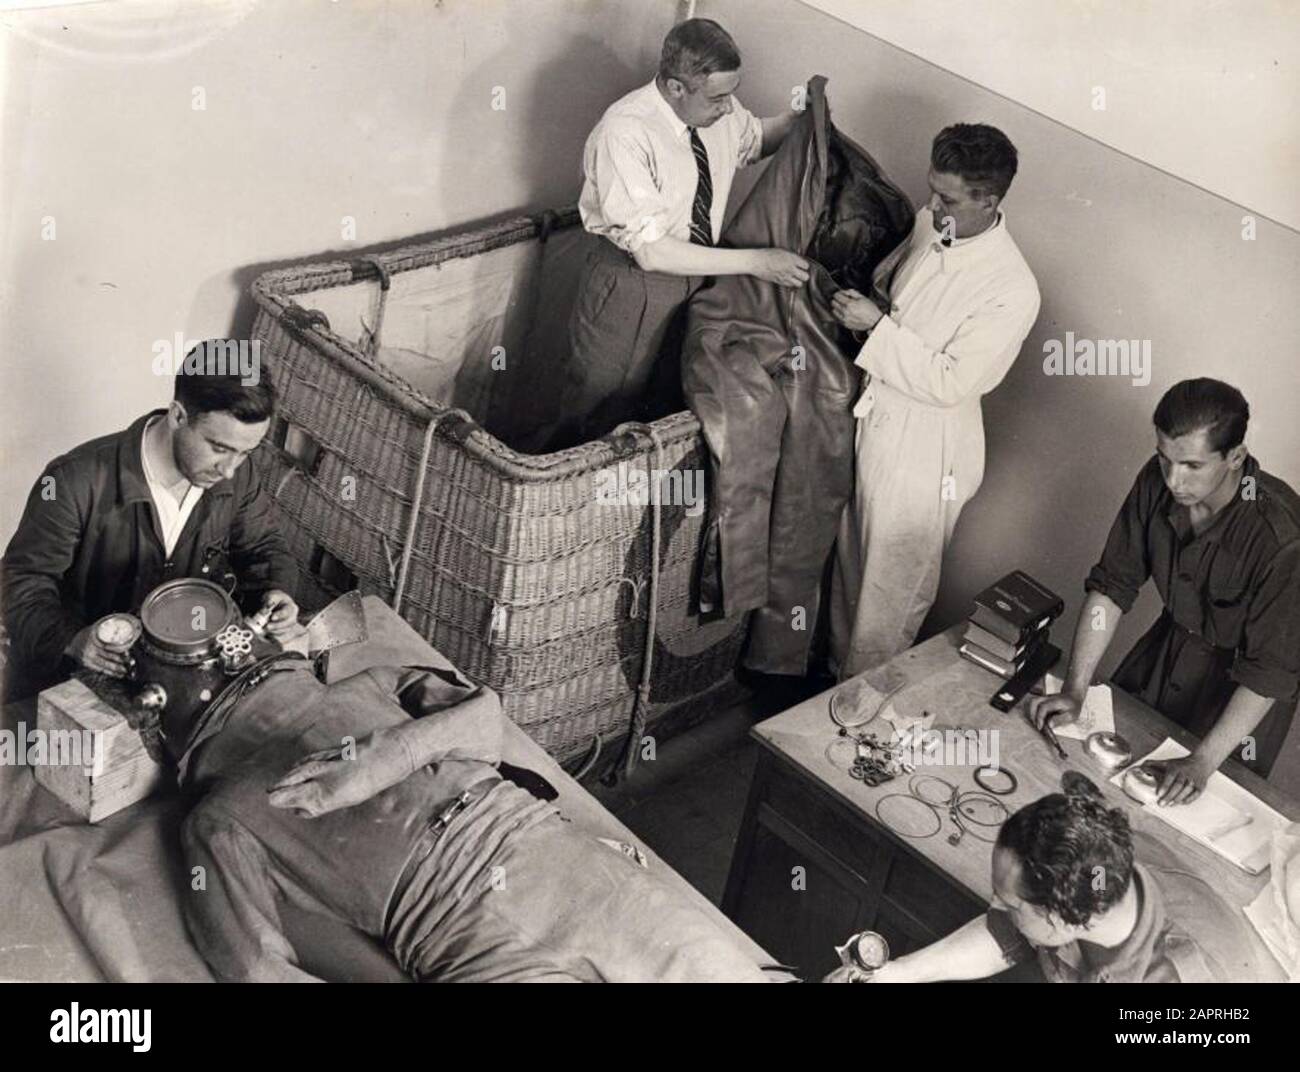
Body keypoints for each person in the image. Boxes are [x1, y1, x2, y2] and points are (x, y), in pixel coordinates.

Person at [173, 617, 775, 982]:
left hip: (540, 853)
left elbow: (485, 720)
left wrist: (385, 756)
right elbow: (253, 965)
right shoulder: (220, 815)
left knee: (715, 971)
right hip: (455, 927)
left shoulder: (372, 683)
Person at [829, 124, 1041, 678]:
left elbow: (951, 381)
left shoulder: (1011, 288)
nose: (930, 205)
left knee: (886, 599)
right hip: (878, 418)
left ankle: (855, 717)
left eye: (946, 198)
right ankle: (824, 698)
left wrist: (874, 329)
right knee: (850, 574)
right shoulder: (931, 226)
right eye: (932, 189)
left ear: (988, 201)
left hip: (927, 451)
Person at [1029, 379, 1300, 797]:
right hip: (1161, 658)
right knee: (1095, 779)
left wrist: (1204, 760)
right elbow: (1112, 586)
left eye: (1192, 465)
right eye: (1164, 459)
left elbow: (1269, 672)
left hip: (1242, 704)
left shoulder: (1281, 538)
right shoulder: (1156, 481)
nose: (1174, 479)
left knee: (1184, 816)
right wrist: (1076, 688)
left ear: (1235, 457)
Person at [549, 17, 811, 446]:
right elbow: (651, 251)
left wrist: (799, 118)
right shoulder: (625, 131)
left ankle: (633, 511)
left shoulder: (718, 111)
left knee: (668, 406)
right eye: (717, 98)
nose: (729, 107)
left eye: (732, 94)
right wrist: (759, 262)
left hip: (698, 278)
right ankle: (578, 509)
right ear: (674, 88)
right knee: (601, 416)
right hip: (633, 283)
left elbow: (754, 139)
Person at [0, 343, 299, 699]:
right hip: (69, 684)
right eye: (219, 448)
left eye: (245, 452)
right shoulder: (72, 481)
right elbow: (20, 581)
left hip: (179, 682)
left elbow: (264, 547)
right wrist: (74, 641)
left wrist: (276, 590)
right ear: (178, 416)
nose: (230, 470)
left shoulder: (237, 473)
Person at [826, 776, 1280, 983]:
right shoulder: (1098, 864)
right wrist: (893, 974)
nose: (995, 905)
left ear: (1064, 921)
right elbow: (1009, 933)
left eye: (1011, 902)